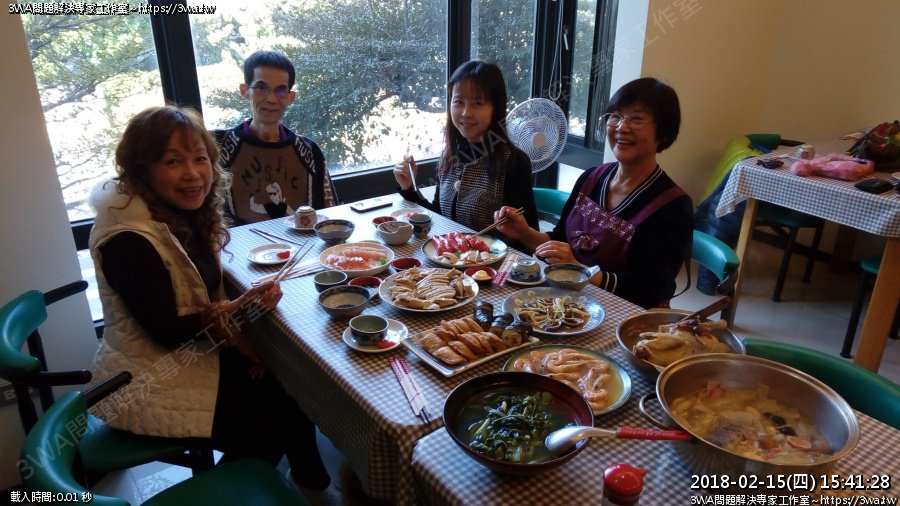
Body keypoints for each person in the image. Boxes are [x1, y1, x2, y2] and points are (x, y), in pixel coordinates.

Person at [89, 105, 330, 491]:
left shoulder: (180, 213)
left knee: (291, 381)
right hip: (148, 379)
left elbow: (201, 298)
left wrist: (244, 320)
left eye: (200, 158)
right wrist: (238, 308)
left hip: (192, 353)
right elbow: (168, 332)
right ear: (141, 169)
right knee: (270, 421)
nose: (192, 173)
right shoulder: (128, 239)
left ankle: (312, 481)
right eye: (172, 161)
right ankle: (233, 491)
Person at [494, 77, 693, 308]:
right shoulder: (591, 178)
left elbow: (650, 290)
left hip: (626, 315)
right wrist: (524, 233)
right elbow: (560, 241)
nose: (622, 128)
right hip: (565, 302)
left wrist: (580, 271)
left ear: (664, 132)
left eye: (637, 119)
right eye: (615, 116)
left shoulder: (672, 206)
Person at [393, 60, 538, 240]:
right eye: (459, 101)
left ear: (496, 107)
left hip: (492, 258)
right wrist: (409, 187)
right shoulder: (450, 155)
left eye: (477, 103)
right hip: (448, 254)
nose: (466, 113)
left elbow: (527, 237)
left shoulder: (514, 161)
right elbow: (440, 217)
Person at [215, 50, 337, 225]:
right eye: (261, 88)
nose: (271, 98)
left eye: (280, 90)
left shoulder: (310, 152)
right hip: (236, 242)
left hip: (301, 242)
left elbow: (329, 220)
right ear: (245, 91)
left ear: (291, 97)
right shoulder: (218, 147)